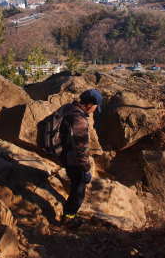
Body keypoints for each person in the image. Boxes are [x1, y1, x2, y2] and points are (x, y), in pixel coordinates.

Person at [60, 88, 103, 227]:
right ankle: (69, 218)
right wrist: (86, 169)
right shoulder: (80, 120)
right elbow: (81, 148)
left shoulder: (69, 108)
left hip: (65, 154)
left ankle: (69, 214)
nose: (94, 111)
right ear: (90, 104)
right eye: (96, 107)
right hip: (74, 160)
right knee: (79, 192)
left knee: (74, 186)